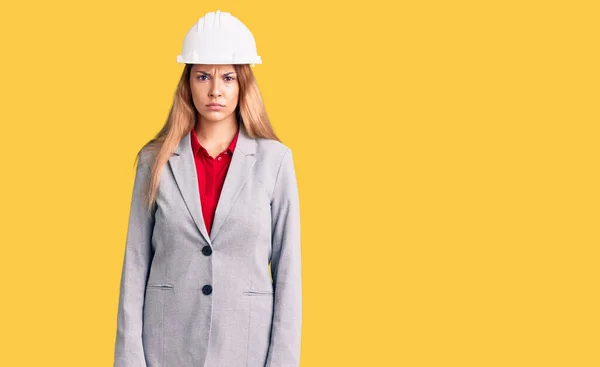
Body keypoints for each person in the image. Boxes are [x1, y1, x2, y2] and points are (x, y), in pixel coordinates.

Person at [113, 10, 302, 367]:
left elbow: (288, 271)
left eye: (228, 77)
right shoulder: (154, 160)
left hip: (245, 349)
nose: (215, 89)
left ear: (243, 84)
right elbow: (135, 266)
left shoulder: (275, 161)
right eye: (203, 76)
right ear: (188, 84)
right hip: (165, 347)